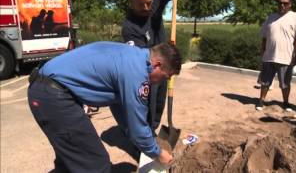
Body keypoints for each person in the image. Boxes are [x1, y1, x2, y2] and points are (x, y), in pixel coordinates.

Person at [27, 41, 181, 172]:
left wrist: (128, 130)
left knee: (72, 157)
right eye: (165, 77)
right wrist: (158, 153)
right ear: (157, 65)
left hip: (48, 90)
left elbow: (119, 105)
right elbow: (138, 128)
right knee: (95, 163)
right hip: (53, 96)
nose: (161, 83)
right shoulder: (138, 74)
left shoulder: (133, 55)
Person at [122, 0, 173, 135]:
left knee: (159, 101)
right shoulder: (130, 28)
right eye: (140, 4)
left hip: (162, 65)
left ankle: (153, 130)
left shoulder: (153, 2)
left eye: (149, 3)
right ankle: (142, 137)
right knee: (147, 104)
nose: (146, 8)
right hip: (148, 70)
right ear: (132, 2)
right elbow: (140, 59)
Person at [256, 0, 296, 111]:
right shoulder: (271, 17)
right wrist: (263, 51)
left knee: (285, 84)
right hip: (269, 57)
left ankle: (286, 103)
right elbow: (264, 37)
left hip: (286, 57)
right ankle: (261, 101)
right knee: (265, 82)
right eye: (280, 3)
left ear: (290, 4)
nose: (282, 5)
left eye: (285, 3)